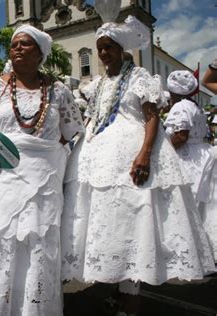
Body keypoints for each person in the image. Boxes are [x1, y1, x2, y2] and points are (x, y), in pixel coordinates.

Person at [61, 16, 215, 316]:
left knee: (134, 220)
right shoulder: (100, 83)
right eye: (100, 48)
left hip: (130, 156)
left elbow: (152, 117)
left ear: (120, 49)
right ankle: (119, 289)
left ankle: (131, 299)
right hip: (97, 160)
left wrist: (144, 154)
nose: (103, 53)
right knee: (109, 224)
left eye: (109, 47)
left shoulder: (141, 76)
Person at [0, 25, 83, 315]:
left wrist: (43, 152)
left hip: (42, 181)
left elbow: (73, 131)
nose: (18, 49)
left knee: (35, 242)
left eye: (26, 44)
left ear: (41, 54)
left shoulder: (59, 91)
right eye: (14, 45)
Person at [164, 70, 212, 199]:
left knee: (186, 196)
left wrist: (163, 151)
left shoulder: (180, 106)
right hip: (201, 153)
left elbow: (181, 137)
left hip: (186, 156)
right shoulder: (195, 105)